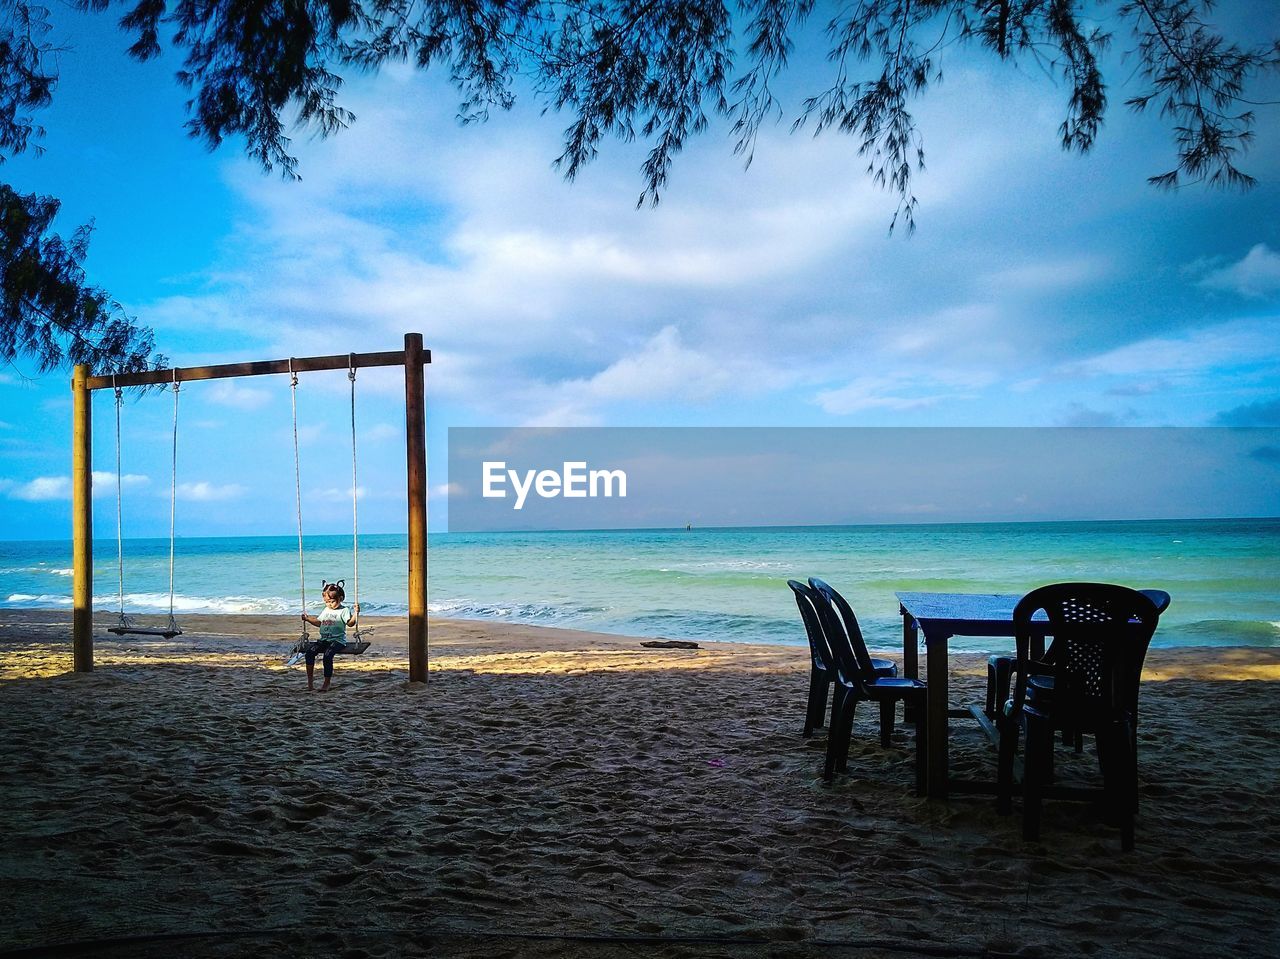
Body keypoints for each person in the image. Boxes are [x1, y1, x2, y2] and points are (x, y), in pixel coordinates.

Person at [299, 580, 360, 691]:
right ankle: (310, 683)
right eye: (326, 602)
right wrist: (308, 619)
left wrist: (356, 614)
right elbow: (319, 623)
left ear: (340, 599)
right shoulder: (326, 610)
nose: (329, 604)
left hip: (337, 641)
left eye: (331, 601)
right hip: (324, 640)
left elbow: (350, 623)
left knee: (327, 656)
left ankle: (326, 683)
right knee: (309, 653)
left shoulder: (344, 610)